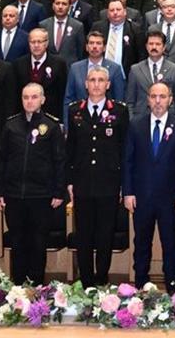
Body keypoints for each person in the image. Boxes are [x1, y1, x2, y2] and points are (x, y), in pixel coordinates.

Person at [0, 82, 66, 285]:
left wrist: (59, 191)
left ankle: (36, 286)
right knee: (17, 243)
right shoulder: (10, 125)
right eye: (25, 97)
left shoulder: (51, 126)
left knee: (38, 243)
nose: (29, 101)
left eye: (34, 97)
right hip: (14, 195)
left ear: (42, 100)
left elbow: (60, 161)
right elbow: (0, 160)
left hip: (41, 195)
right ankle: (18, 287)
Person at [122, 81, 175, 290]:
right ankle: (140, 286)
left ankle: (173, 286)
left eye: (162, 96)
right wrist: (128, 192)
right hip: (141, 196)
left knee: (170, 243)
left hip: (170, 198)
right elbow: (127, 161)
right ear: (148, 100)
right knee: (141, 244)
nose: (158, 101)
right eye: (154, 96)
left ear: (170, 100)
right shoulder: (136, 125)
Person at [65, 66, 129, 287]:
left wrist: (123, 184)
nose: (96, 84)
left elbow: (124, 150)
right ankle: (86, 281)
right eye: (92, 80)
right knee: (83, 235)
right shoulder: (75, 110)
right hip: (82, 182)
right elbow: (70, 149)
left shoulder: (119, 111)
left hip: (109, 183)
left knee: (105, 235)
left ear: (108, 85)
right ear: (86, 84)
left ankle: (101, 279)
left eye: (101, 80)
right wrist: (69, 181)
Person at [16, 28, 69, 120]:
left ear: (46, 43)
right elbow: (15, 94)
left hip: (50, 117)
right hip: (24, 118)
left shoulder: (59, 64)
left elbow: (62, 94)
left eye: (39, 42)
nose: (36, 45)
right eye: (33, 42)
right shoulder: (19, 64)